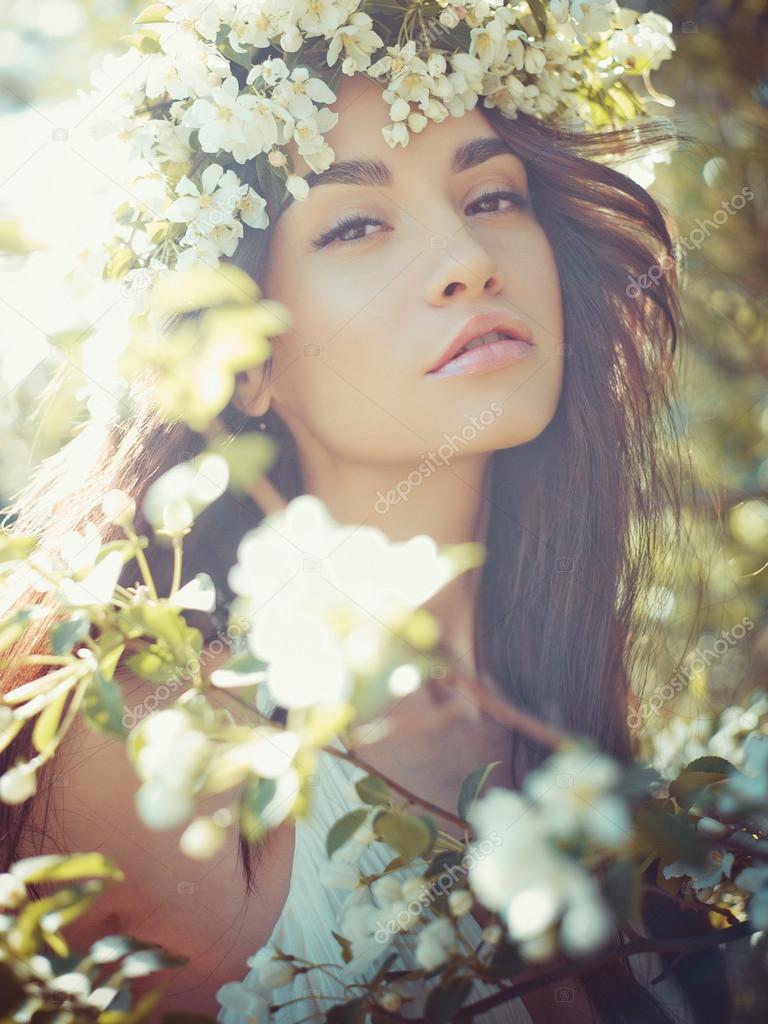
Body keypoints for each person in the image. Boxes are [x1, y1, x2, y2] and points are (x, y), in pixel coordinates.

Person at [0, 5, 732, 1022]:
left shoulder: (565, 681)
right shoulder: (166, 736)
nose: (468, 257)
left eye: (493, 194)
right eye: (354, 224)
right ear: (246, 361)